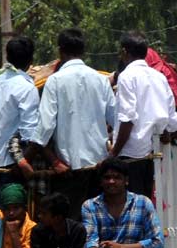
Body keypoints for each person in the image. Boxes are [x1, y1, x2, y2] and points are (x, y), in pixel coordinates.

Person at [32, 29, 116, 219]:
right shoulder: (100, 80)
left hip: (67, 170)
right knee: (98, 223)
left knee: (70, 226)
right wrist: (110, 155)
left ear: (60, 51)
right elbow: (116, 120)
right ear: (83, 51)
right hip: (99, 166)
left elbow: (44, 128)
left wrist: (53, 161)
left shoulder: (54, 81)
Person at [110, 32, 177, 197]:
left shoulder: (127, 76)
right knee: (145, 203)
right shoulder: (159, 78)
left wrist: (113, 154)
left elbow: (128, 119)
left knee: (130, 206)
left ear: (125, 52)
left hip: (130, 154)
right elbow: (173, 121)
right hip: (153, 154)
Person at [0, 37, 39, 208]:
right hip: (12, 166)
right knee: (11, 219)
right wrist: (25, 163)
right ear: (31, 60)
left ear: (7, 58)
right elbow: (29, 132)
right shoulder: (26, 87)